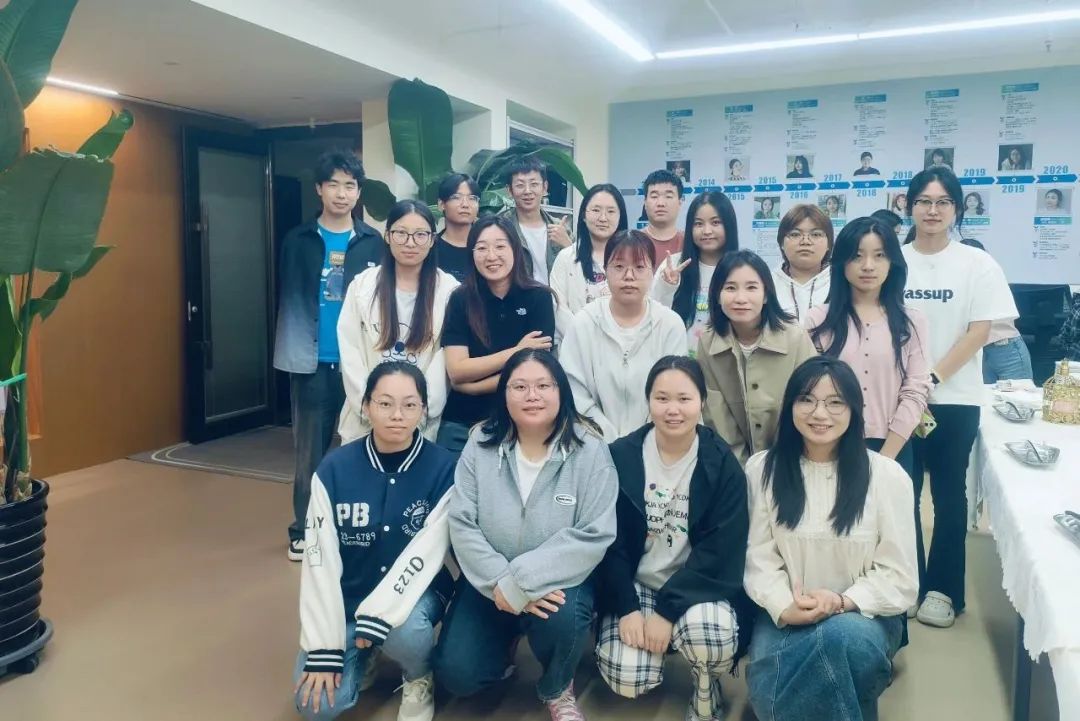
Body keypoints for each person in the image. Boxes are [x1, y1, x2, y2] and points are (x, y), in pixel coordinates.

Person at [432, 349, 618, 721]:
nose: (532, 396)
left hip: (557, 581)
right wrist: (502, 582)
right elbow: (462, 522)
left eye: (543, 386)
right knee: (457, 676)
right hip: (490, 579)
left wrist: (522, 581)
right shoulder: (480, 442)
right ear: (504, 394)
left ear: (561, 391)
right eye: (519, 387)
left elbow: (594, 533)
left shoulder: (590, 449)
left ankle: (557, 687)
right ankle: (505, 643)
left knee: (563, 617)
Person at [744, 357, 918, 721]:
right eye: (806, 399)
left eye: (835, 402)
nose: (819, 413)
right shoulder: (762, 469)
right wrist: (784, 606)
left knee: (835, 642)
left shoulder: (887, 477)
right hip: (786, 613)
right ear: (790, 405)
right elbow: (758, 558)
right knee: (782, 683)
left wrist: (841, 601)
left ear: (854, 409)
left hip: (862, 616)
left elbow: (900, 577)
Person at [293, 362, 457, 721]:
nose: (397, 415)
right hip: (350, 599)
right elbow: (319, 561)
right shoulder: (333, 469)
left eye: (410, 405)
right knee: (316, 706)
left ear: (424, 410)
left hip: (417, 595)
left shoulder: (445, 468)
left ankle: (418, 675)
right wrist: (324, 646)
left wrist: (380, 612)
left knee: (404, 629)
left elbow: (428, 550)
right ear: (365, 406)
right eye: (385, 403)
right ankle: (363, 652)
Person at [595, 356, 753, 721]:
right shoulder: (620, 456)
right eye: (662, 398)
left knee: (712, 636)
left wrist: (667, 611)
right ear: (648, 400)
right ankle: (646, 650)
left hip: (694, 586)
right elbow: (608, 542)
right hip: (636, 585)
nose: (673, 409)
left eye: (684, 398)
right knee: (627, 674)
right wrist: (626, 607)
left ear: (702, 401)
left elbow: (720, 551)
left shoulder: (721, 465)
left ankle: (705, 681)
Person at [901, 165, 1017, 628]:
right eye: (924, 201)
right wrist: (909, 384)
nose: (932, 210)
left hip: (956, 397)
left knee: (950, 493)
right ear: (909, 206)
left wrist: (930, 377)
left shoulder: (977, 263)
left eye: (942, 202)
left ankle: (944, 590)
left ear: (956, 209)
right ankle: (908, 583)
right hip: (898, 398)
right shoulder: (893, 260)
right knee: (901, 492)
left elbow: (979, 331)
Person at [275, 149, 384, 562]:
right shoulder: (298, 240)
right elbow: (286, 296)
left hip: (360, 363)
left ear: (358, 192)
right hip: (310, 362)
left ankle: (354, 528)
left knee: (362, 446)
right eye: (334, 184)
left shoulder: (373, 242)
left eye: (350, 185)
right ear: (319, 189)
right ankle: (303, 530)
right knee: (311, 453)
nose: (342, 193)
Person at [804, 216, 931, 480]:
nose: (868, 266)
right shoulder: (818, 320)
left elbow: (916, 390)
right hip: (829, 445)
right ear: (842, 263)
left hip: (892, 445)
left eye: (879, 255)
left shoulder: (912, 321)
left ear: (892, 262)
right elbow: (808, 391)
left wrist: (886, 458)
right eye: (857, 256)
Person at [337, 200, 459, 445]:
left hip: (421, 421)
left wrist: (420, 411)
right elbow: (350, 350)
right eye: (401, 233)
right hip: (365, 419)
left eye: (420, 234)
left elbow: (443, 357)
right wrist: (369, 407)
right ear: (387, 236)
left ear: (432, 239)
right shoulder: (362, 286)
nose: (410, 243)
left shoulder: (449, 291)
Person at [437, 215, 556, 454]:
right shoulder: (460, 299)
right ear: (471, 254)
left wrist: (473, 387)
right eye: (481, 248)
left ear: (515, 249)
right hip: (462, 423)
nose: (491, 256)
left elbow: (533, 375)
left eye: (500, 246)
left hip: (519, 422)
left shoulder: (539, 298)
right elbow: (457, 370)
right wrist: (517, 351)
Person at [561, 230, 686, 441]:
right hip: (594, 445)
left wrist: (639, 443)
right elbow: (574, 392)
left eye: (639, 267)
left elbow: (675, 392)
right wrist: (610, 440)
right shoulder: (584, 323)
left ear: (652, 272)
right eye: (619, 267)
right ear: (605, 270)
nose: (629, 276)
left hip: (656, 444)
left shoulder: (670, 325)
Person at [697, 250, 817, 464]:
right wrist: (741, 470)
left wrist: (779, 465)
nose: (740, 298)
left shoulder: (795, 337)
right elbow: (717, 417)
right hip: (733, 464)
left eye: (751, 287)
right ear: (717, 295)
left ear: (766, 294)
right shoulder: (708, 342)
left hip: (793, 458)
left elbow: (810, 401)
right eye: (730, 288)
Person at [651, 192, 739, 357]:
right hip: (678, 363)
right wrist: (667, 286)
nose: (707, 231)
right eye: (698, 224)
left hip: (725, 363)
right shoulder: (674, 265)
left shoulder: (741, 268)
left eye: (715, 222)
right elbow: (653, 313)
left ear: (729, 225)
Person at [549, 183, 628, 339]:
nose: (603, 218)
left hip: (621, 343)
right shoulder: (566, 257)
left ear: (620, 217)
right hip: (576, 344)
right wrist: (585, 339)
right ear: (584, 216)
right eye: (596, 210)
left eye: (611, 211)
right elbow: (558, 306)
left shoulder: (631, 258)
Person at [500, 156, 572, 285]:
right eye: (520, 185)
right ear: (510, 190)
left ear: (545, 187)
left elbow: (579, 271)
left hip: (555, 296)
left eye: (534, 184)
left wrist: (568, 245)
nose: (527, 191)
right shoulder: (500, 227)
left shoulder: (560, 227)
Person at [772, 204, 834, 322]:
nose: (805, 241)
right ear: (781, 243)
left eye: (816, 234)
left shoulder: (842, 282)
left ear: (829, 244)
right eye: (795, 234)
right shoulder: (767, 283)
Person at [434, 173, 479, 282]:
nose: (465, 204)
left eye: (472, 198)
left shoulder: (487, 245)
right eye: (456, 197)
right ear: (441, 204)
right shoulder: (431, 249)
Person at [641, 169, 685, 265]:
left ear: (680, 202)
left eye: (668, 196)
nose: (661, 203)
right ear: (645, 202)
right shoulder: (632, 242)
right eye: (654, 196)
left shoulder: (690, 243)